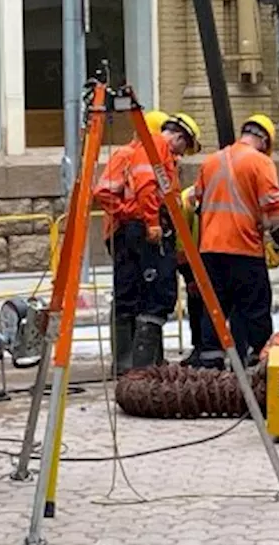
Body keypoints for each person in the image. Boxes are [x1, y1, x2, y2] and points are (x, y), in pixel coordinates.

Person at [92, 111, 201, 374]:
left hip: (131, 229)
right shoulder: (154, 149)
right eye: (184, 146)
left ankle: (132, 364)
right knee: (157, 295)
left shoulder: (141, 151)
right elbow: (147, 188)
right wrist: (146, 219)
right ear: (178, 136)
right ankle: (143, 366)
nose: (180, 155)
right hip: (143, 230)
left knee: (132, 295)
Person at [189, 114, 279, 368]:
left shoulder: (211, 161)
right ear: (264, 140)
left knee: (214, 308)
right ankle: (259, 361)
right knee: (254, 308)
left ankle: (210, 367)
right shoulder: (261, 163)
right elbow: (274, 210)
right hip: (244, 249)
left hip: (210, 248)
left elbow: (195, 200)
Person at [175, 185, 207, 366]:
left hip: (215, 258)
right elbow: (181, 241)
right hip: (198, 262)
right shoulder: (189, 199)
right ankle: (202, 347)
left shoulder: (189, 197)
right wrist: (188, 276)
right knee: (197, 307)